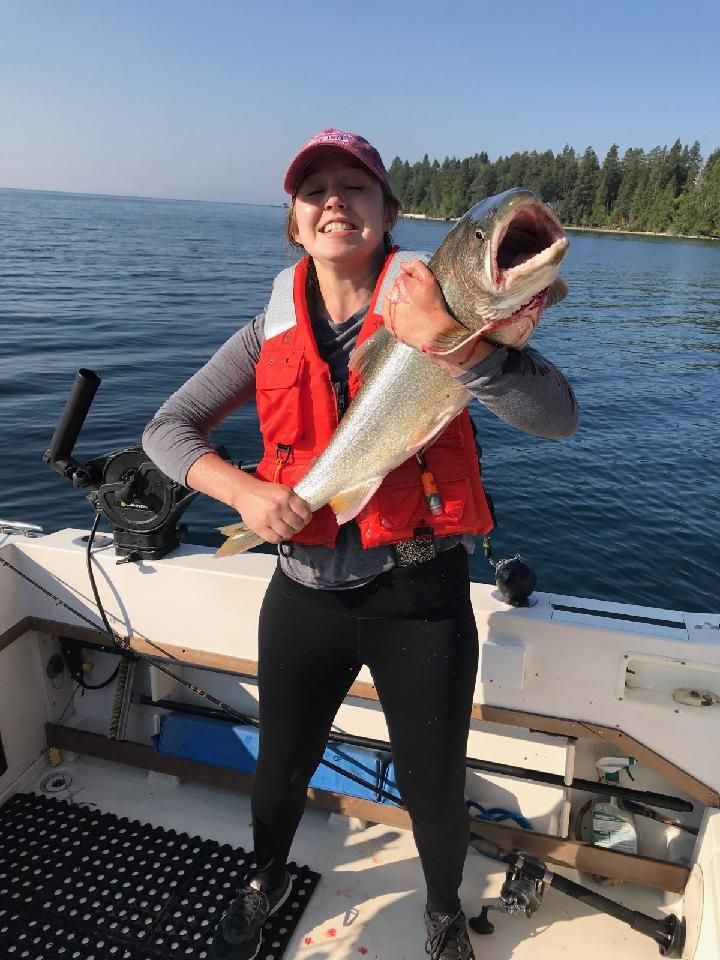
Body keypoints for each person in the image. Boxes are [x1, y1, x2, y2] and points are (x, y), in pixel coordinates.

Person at [143, 128, 580, 960]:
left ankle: (444, 911)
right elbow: (167, 429)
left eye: (356, 186)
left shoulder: (440, 310)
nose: (335, 200)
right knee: (279, 768)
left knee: (434, 789)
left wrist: (454, 341)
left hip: (420, 598)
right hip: (303, 591)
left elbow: (557, 417)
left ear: (388, 215)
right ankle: (265, 878)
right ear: (296, 227)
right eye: (316, 192)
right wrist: (243, 491)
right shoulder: (262, 334)